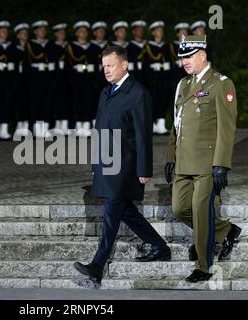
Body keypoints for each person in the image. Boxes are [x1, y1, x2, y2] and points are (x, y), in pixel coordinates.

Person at [74, 46, 171, 286]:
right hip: (107, 163)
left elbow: (142, 135)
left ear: (124, 65)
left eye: (111, 65)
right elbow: (99, 130)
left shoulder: (138, 93)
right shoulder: (106, 92)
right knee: (126, 211)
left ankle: (97, 265)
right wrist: (96, 163)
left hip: (126, 166)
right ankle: (160, 246)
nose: (106, 70)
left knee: (111, 211)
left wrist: (144, 170)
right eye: (104, 66)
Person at [165, 35, 241, 283]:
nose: (185, 61)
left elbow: (226, 129)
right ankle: (225, 230)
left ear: (203, 55)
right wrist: (170, 156)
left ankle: (203, 265)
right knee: (179, 208)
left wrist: (221, 164)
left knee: (200, 210)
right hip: (183, 162)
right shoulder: (183, 85)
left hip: (207, 163)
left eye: (189, 56)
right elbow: (176, 125)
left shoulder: (221, 84)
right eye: (182, 57)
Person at [66, 21, 100, 137]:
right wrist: (71, 80)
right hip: (77, 78)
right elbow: (68, 66)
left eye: (85, 31)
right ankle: (78, 126)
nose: (84, 33)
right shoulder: (71, 47)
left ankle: (86, 126)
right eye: (81, 31)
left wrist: (96, 79)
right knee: (77, 102)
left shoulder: (93, 47)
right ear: (76, 33)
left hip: (89, 78)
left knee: (89, 102)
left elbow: (97, 65)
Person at [26, 20, 57, 138]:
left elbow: (55, 62)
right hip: (36, 78)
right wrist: (30, 81)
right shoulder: (30, 45)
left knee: (48, 105)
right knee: (36, 105)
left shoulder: (51, 44)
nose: (42, 31)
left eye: (44, 29)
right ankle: (37, 131)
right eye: (40, 29)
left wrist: (55, 79)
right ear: (35, 31)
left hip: (49, 77)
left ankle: (45, 129)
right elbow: (27, 65)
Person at [144, 21, 172, 135]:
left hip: (164, 77)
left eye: (161, 30)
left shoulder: (166, 46)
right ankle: (152, 125)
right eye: (158, 30)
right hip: (153, 78)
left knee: (163, 100)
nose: (160, 32)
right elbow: (145, 63)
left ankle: (161, 125)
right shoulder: (148, 46)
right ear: (153, 32)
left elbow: (170, 61)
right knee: (152, 101)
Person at [51, 23, 70, 135]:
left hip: (67, 76)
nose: (62, 34)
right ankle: (57, 125)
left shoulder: (69, 46)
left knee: (67, 100)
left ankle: (65, 125)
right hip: (56, 76)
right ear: (55, 34)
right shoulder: (52, 46)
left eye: (63, 32)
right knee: (57, 101)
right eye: (60, 32)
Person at [13, 23, 31, 137]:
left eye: (26, 33)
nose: (25, 35)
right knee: (18, 103)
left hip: (29, 79)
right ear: (18, 36)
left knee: (28, 102)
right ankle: (19, 127)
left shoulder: (31, 47)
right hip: (18, 78)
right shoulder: (14, 48)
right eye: (22, 33)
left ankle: (26, 126)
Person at [127, 20, 147, 86]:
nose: (140, 32)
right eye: (138, 30)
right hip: (134, 76)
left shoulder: (147, 45)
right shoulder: (129, 46)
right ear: (133, 32)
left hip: (147, 76)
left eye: (142, 30)